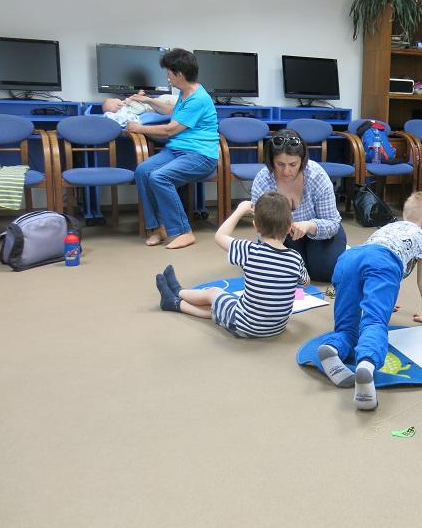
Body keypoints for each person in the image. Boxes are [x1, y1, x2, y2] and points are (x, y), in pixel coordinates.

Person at [316, 192, 422, 411]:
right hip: (383, 263)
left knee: (347, 326)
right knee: (375, 322)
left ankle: (332, 348)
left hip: (349, 259)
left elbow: (366, 269)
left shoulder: (390, 227)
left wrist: (380, 299)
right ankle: (366, 364)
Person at [154, 192, 309, 338]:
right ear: (289, 228)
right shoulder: (295, 258)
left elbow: (220, 236)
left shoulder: (249, 250)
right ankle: (174, 301)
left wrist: (239, 211)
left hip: (243, 325)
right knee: (227, 305)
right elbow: (305, 282)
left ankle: (178, 293)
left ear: (255, 226)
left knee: (214, 293)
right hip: (276, 328)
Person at [126, 48, 219, 249]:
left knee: (159, 177)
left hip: (201, 156)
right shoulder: (186, 93)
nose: (167, 76)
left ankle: (183, 231)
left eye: (169, 72)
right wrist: (149, 100)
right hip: (177, 152)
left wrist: (139, 128)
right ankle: (157, 228)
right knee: (142, 171)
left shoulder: (199, 98)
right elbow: (173, 111)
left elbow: (171, 129)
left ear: (180, 74)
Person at [250, 128, 346, 282]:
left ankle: (337, 252)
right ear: (271, 161)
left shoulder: (316, 175)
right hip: (283, 236)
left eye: (293, 164)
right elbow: (263, 228)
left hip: (319, 232)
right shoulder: (263, 180)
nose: (286, 171)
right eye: (280, 164)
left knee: (326, 271)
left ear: (302, 160)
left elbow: (332, 222)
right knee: (285, 272)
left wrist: (309, 226)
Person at [102, 94, 177, 127]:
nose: (122, 101)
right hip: (161, 103)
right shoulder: (128, 110)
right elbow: (141, 109)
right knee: (176, 101)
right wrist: (130, 102)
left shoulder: (127, 105)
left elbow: (139, 101)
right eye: (115, 99)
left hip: (159, 101)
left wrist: (138, 95)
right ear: (119, 104)